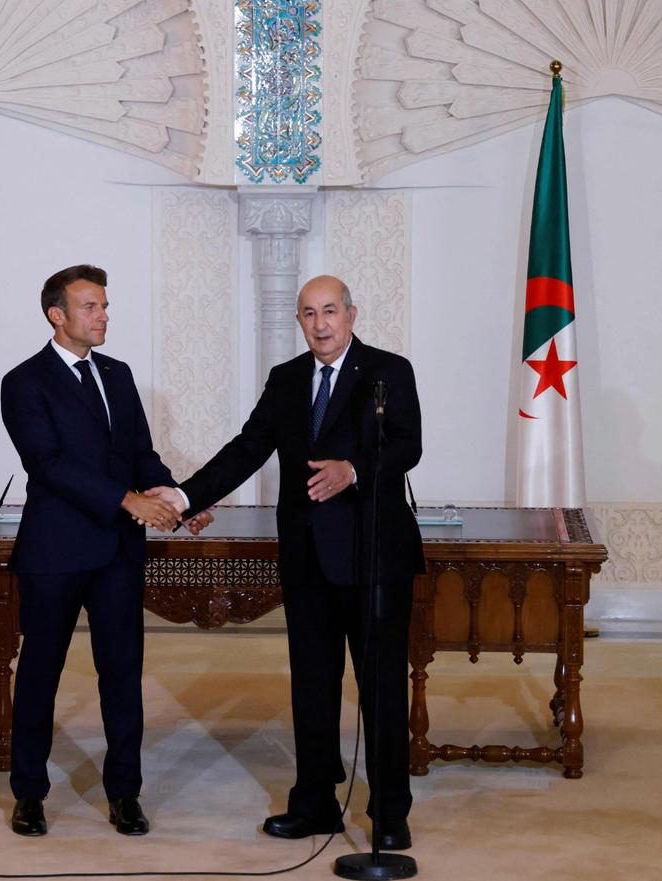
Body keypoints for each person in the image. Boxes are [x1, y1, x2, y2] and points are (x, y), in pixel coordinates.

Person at [148, 275, 423, 850]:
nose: (320, 324)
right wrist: (184, 497)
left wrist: (354, 469)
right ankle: (316, 803)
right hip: (307, 561)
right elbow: (247, 448)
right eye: (308, 314)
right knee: (313, 687)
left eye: (329, 311)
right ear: (298, 321)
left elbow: (407, 444)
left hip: (373, 558)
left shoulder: (387, 371)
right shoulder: (287, 379)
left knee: (381, 692)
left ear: (351, 313)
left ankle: (390, 812)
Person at [0, 264, 188, 837]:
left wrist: (178, 497)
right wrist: (129, 501)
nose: (104, 315)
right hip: (56, 550)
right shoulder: (24, 381)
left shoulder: (118, 373)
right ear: (57, 315)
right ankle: (29, 793)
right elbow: (49, 465)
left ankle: (124, 794)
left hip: (116, 555)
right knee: (40, 676)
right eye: (91, 307)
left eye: (104, 306)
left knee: (122, 676)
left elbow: (141, 454)